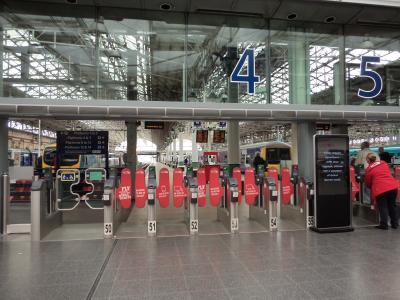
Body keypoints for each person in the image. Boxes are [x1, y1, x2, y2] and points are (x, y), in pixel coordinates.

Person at [364, 153, 399, 230]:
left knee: (383, 206)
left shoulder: (368, 169)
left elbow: (368, 182)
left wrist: (370, 186)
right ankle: (395, 224)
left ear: (368, 161)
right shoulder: (383, 163)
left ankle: (384, 224)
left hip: (380, 189)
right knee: (392, 206)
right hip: (392, 186)